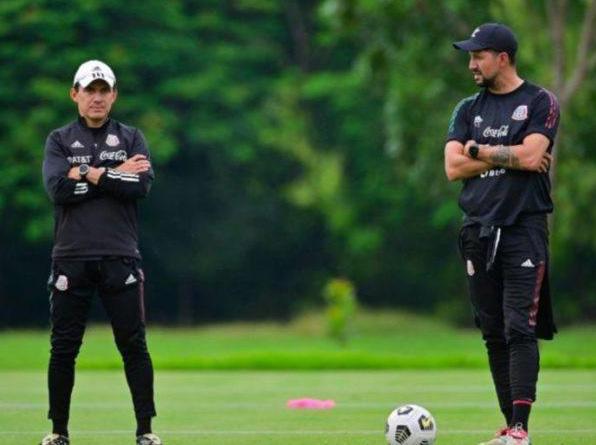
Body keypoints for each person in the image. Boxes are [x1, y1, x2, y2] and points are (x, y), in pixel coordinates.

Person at [444, 23, 560, 445]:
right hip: (477, 229)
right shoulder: (466, 109)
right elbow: (452, 167)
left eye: (479, 56)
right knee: (492, 332)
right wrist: (502, 154)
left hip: (523, 228)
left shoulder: (540, 101)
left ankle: (520, 430)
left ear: (503, 58)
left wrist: (477, 149)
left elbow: (532, 157)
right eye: (470, 57)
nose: (472, 64)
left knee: (519, 328)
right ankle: (509, 426)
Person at [41, 60, 163, 445]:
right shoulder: (59, 140)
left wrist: (85, 172)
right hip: (71, 257)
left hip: (119, 255)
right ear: (74, 94)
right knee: (64, 349)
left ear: (114, 96)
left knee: (133, 345)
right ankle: (58, 432)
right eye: (89, 90)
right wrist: (113, 174)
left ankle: (145, 431)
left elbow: (139, 187)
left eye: (103, 90)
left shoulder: (131, 137)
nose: (96, 97)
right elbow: (57, 190)